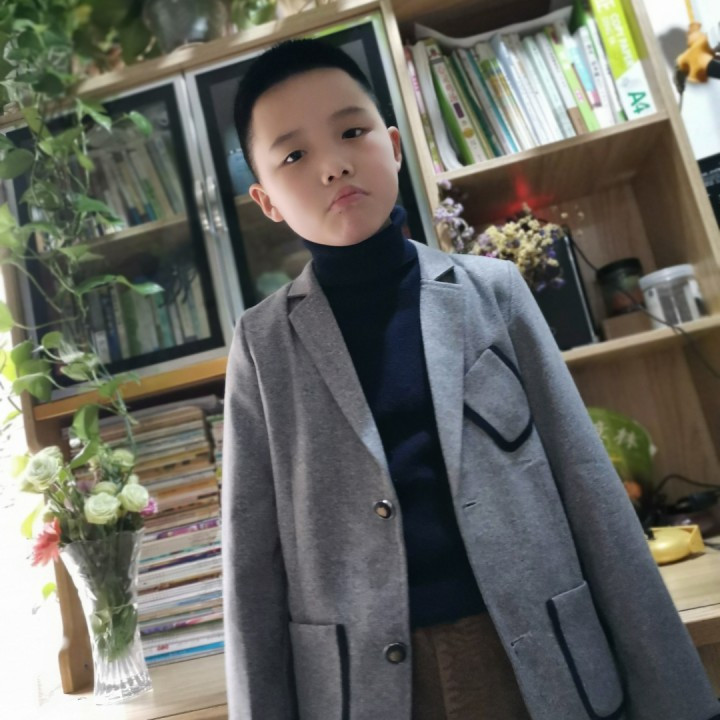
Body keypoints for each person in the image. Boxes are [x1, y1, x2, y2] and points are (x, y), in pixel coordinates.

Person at [221, 38, 720, 720]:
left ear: (394, 145)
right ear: (267, 201)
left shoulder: (495, 291)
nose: (334, 164)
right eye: (294, 155)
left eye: (352, 132)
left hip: (539, 663)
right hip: (365, 691)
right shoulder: (261, 345)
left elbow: (589, 489)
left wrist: (677, 702)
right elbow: (250, 567)